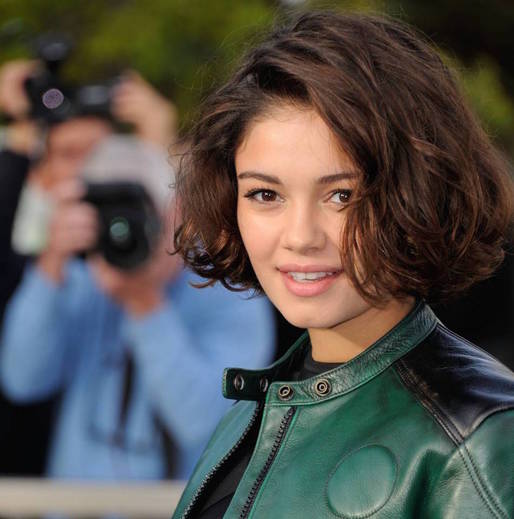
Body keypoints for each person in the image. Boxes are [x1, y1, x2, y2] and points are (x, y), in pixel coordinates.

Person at [170, 11, 514, 519]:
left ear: (416, 195)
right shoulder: (253, 413)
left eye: (341, 195)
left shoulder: (479, 440)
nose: (301, 237)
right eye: (265, 194)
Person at [0, 132, 276, 483]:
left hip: (173, 503)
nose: (123, 230)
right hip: (74, 502)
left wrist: (143, 303)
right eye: (110, 216)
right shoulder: (85, 278)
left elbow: (202, 421)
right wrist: (50, 264)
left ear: (178, 209)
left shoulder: (229, 291)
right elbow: (22, 379)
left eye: (138, 211)